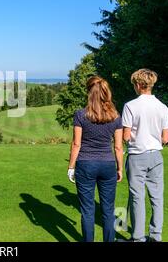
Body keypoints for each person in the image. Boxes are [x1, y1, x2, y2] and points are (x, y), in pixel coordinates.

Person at [67, 76, 124, 242]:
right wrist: (119, 168)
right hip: (107, 166)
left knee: (87, 210)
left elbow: (76, 144)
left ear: (88, 92)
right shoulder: (115, 116)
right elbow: (118, 147)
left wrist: (71, 167)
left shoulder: (80, 115)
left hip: (85, 165)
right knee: (108, 210)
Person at [122, 69, 168, 242]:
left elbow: (126, 136)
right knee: (157, 197)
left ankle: (138, 237)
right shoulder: (162, 107)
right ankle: (156, 236)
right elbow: (165, 138)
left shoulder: (130, 106)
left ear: (138, 85)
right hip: (156, 155)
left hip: (137, 156)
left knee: (137, 197)